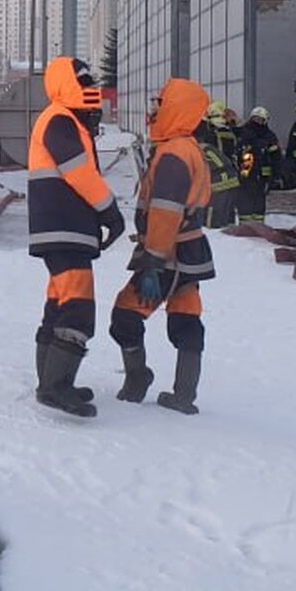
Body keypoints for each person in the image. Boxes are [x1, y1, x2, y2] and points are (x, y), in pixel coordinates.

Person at [108, 77, 214, 416]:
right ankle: (184, 395)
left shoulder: (173, 154)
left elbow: (166, 211)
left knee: (125, 315)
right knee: (185, 316)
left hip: (168, 253)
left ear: (177, 109)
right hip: (191, 250)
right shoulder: (187, 147)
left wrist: (153, 260)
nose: (154, 110)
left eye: (160, 104)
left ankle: (138, 377)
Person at [28, 56, 125, 419]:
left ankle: (50, 383)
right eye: (83, 82)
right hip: (64, 227)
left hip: (63, 229)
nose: (90, 89)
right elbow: (79, 173)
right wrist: (109, 211)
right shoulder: (60, 120)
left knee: (58, 304)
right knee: (77, 308)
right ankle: (56, 387)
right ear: (68, 84)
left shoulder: (65, 121)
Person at [235, 107, 281, 223]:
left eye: (261, 120)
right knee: (245, 197)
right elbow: (240, 152)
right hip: (247, 172)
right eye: (256, 119)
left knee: (260, 198)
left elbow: (276, 156)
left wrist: (276, 174)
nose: (259, 122)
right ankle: (245, 223)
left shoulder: (269, 135)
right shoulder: (244, 132)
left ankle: (259, 223)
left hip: (263, 175)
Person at [197, 104, 239, 229]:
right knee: (228, 207)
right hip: (231, 173)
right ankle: (229, 228)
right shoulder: (230, 133)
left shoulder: (210, 135)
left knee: (213, 205)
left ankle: (213, 229)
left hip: (217, 174)